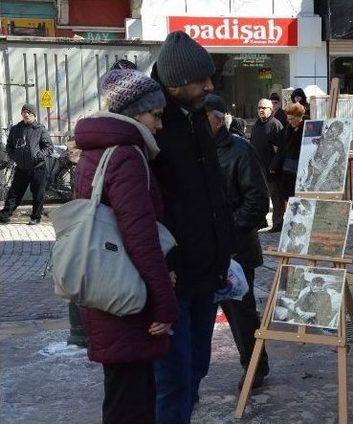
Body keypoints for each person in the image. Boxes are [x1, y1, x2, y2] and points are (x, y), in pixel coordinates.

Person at [72, 69, 179, 424]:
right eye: (156, 115)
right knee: (131, 404)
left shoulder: (97, 151)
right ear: (135, 114)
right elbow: (140, 236)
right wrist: (165, 303)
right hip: (127, 297)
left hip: (106, 290)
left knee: (121, 397)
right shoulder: (127, 156)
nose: (160, 125)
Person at [150, 31, 234, 424]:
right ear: (175, 83)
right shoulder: (154, 123)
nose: (210, 86)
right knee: (174, 379)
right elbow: (147, 208)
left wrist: (224, 252)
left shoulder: (196, 114)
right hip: (173, 277)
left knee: (197, 367)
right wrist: (164, 266)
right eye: (202, 80)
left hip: (207, 272)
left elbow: (210, 193)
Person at [203, 94, 271, 389]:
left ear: (216, 119)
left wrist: (228, 232)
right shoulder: (197, 150)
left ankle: (255, 365)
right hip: (205, 247)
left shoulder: (239, 150)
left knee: (241, 313)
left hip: (236, 249)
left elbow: (258, 200)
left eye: (202, 118)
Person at [0, 104, 53, 225]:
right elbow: (9, 147)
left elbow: (49, 148)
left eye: (29, 112)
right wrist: (15, 157)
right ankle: (4, 216)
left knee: (38, 193)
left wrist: (38, 156)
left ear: (34, 115)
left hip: (38, 168)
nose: (26, 114)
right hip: (21, 168)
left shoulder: (40, 129)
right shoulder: (16, 129)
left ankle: (35, 217)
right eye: (24, 112)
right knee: (14, 193)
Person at [250, 98, 284, 232]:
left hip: (272, 169)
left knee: (276, 198)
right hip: (258, 168)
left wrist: (274, 166)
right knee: (260, 197)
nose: (261, 110)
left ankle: (278, 223)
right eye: (259, 108)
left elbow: (281, 149)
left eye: (264, 108)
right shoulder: (257, 124)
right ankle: (261, 222)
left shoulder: (276, 125)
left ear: (271, 109)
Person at [271, 103, 305, 212]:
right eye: (288, 119)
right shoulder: (288, 128)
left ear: (298, 117)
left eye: (291, 119)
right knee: (288, 196)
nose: (289, 121)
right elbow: (284, 148)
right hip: (288, 169)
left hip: (301, 170)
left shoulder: (306, 128)